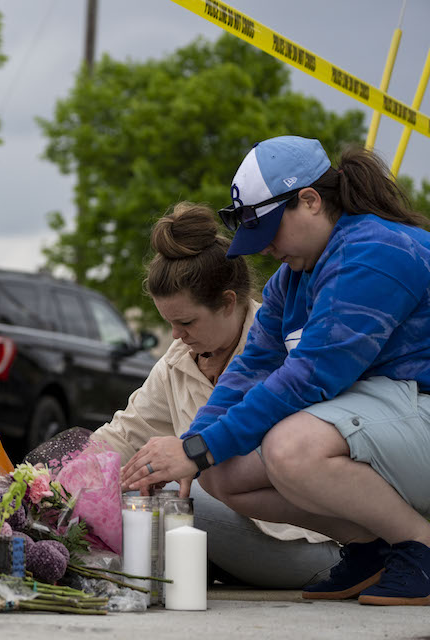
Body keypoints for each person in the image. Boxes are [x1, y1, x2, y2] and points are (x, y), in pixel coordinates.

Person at [122, 135, 430, 606]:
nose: (264, 249)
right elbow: (249, 371)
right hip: (401, 422)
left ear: (309, 200)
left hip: (419, 410)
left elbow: (311, 375)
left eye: (268, 231)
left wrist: (198, 447)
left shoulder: (375, 251)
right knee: (219, 475)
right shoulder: (294, 278)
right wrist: (196, 448)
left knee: (292, 446)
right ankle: (374, 549)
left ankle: (420, 547)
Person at [91, 201, 339, 589]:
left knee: (172, 493)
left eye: (186, 322)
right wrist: (46, 480)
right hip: (229, 539)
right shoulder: (177, 362)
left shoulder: (293, 351)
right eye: (168, 322)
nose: (176, 335)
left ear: (228, 302)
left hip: (312, 542)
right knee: (116, 489)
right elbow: (121, 437)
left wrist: (186, 457)